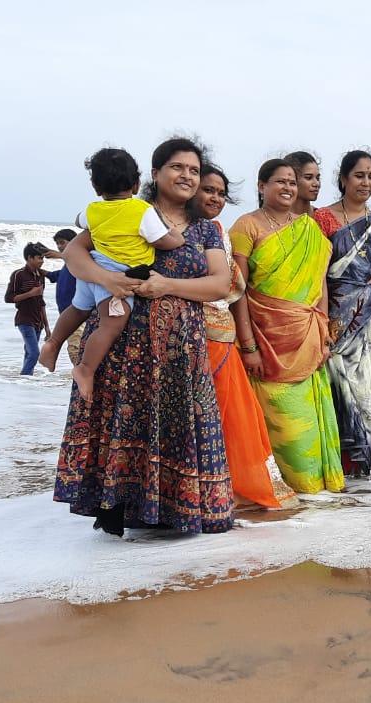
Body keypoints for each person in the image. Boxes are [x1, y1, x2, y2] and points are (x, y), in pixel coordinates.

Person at [53, 137, 234, 536]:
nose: (186, 175)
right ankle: (117, 509)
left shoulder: (206, 228)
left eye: (193, 170)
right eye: (176, 167)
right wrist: (108, 278)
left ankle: (176, 512)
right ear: (155, 174)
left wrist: (166, 285)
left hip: (179, 352)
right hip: (121, 347)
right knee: (123, 424)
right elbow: (75, 255)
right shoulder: (128, 211)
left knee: (175, 426)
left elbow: (220, 285)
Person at [228, 159, 344, 494]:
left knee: (308, 429)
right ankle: (276, 502)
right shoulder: (246, 227)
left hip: (306, 339)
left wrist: (322, 337)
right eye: (280, 182)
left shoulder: (310, 229)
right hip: (265, 343)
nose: (288, 188)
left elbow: (319, 287)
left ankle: (313, 506)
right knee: (279, 430)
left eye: (292, 182)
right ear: (261, 186)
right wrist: (248, 347)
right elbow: (238, 293)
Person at [39, 148, 185, 402]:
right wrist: (177, 237)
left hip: (90, 273)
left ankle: (53, 343)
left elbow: (78, 221)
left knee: (76, 309)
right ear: (137, 183)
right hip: (117, 277)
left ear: (96, 187)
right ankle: (85, 369)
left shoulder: (93, 209)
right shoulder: (141, 210)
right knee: (112, 324)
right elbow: (162, 241)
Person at [195, 162, 299, 509]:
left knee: (230, 423)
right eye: (208, 190)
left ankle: (224, 494)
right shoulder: (165, 230)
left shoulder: (217, 233)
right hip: (184, 338)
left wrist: (248, 345)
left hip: (222, 341)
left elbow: (237, 293)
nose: (215, 198)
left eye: (221, 193)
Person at [312, 151, 371, 476]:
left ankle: (361, 479)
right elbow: (317, 275)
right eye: (359, 175)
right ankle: (335, 473)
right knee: (336, 392)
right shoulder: (322, 219)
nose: (365, 182)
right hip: (333, 315)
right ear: (343, 179)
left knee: (367, 393)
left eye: (370, 176)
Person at [5, 242, 52, 375]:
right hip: (24, 320)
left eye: (43, 258)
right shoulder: (18, 274)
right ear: (30, 258)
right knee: (34, 353)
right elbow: (8, 298)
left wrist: (47, 327)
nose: (42, 261)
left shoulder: (41, 276)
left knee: (28, 353)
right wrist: (30, 294)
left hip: (38, 322)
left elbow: (41, 302)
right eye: (39, 258)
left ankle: (24, 385)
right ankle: (24, 378)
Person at [43, 229, 83, 366]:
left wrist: (60, 255)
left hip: (77, 314)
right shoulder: (68, 264)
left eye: (62, 243)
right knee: (75, 348)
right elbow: (58, 276)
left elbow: (79, 259)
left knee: (75, 349)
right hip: (67, 315)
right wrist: (43, 272)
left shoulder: (80, 260)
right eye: (57, 243)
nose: (59, 246)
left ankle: (82, 378)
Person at [284, 150, 321, 217]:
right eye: (308, 178)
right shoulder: (276, 219)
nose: (316, 184)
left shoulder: (323, 218)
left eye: (318, 178)